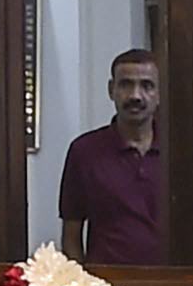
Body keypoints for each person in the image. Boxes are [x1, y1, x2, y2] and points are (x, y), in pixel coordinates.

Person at [56, 46, 164, 264]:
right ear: (111, 90)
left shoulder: (181, 154)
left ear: (159, 94)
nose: (135, 95)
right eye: (126, 84)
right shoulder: (84, 151)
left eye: (147, 85)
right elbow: (71, 233)